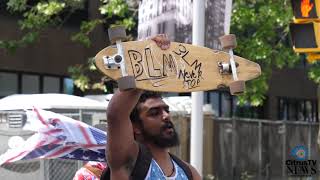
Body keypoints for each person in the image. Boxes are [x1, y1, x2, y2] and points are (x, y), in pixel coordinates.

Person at [105, 34, 201, 180]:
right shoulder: (128, 162)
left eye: (166, 110)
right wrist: (145, 55)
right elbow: (115, 114)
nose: (166, 116)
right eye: (154, 113)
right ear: (134, 126)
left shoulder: (189, 173)